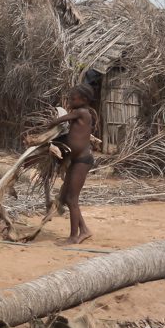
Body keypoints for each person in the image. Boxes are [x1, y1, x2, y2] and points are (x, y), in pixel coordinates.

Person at [45, 84, 96, 245]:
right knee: (67, 197)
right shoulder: (80, 113)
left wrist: (49, 125)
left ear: (84, 100)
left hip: (83, 161)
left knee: (72, 198)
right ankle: (84, 230)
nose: (69, 101)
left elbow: (60, 120)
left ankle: (74, 236)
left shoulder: (81, 112)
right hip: (76, 161)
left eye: (72, 99)